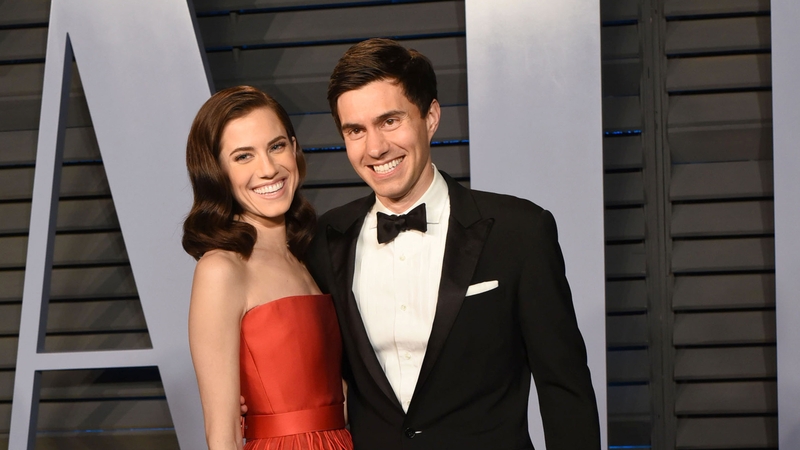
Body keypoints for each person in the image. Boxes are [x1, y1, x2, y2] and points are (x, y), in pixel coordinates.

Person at [305, 38, 602, 449]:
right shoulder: (323, 240)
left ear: (430, 117)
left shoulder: (520, 232)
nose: (375, 148)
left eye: (390, 121)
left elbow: (564, 387)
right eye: (356, 130)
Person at [183, 86, 353, 450]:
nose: (268, 169)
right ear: (217, 172)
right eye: (243, 156)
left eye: (276, 146)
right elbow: (222, 431)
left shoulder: (311, 257)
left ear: (294, 148)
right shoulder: (221, 269)